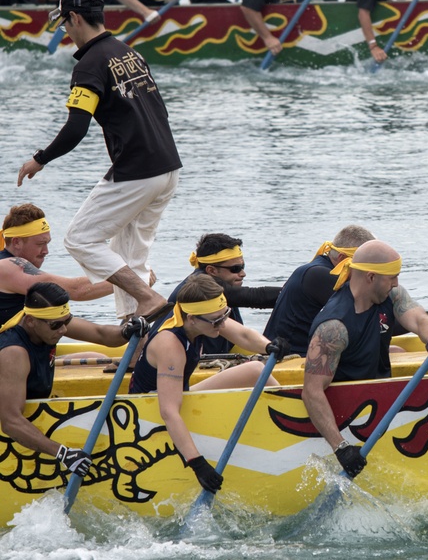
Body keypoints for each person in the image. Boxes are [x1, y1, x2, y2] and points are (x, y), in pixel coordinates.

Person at [17, 0, 181, 320]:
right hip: (168, 167)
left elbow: (77, 127)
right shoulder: (128, 52)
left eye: (64, 23)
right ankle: (137, 345)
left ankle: (147, 296)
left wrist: (40, 158)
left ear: (75, 17)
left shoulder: (89, 65)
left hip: (137, 170)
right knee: (129, 257)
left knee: (80, 239)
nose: (66, 31)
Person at [300, 240, 428, 478]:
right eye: (392, 277)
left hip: (380, 398)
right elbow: (311, 392)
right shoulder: (334, 327)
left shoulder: (391, 295)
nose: (397, 283)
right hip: (351, 412)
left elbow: (419, 318)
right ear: (371, 277)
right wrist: (341, 448)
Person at [128, 275, 288, 494]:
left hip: (177, 395)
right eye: (216, 321)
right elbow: (169, 413)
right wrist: (197, 464)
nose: (222, 325)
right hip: (149, 409)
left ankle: (289, 419)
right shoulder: (170, 346)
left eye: (226, 316)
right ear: (192, 318)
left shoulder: (204, 319)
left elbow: (242, 334)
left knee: (256, 370)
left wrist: (269, 347)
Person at [0, 282, 142, 481]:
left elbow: (101, 334)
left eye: (66, 321)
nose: (63, 330)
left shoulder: (51, 322)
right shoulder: (13, 353)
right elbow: (10, 422)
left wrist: (128, 330)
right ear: (30, 321)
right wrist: (63, 454)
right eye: (56, 325)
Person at [151, 233, 282, 354]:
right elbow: (254, 297)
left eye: (243, 266)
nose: (243, 273)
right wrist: (293, 292)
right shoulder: (203, 288)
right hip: (176, 354)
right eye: (235, 269)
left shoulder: (223, 282)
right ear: (211, 270)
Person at [264, 225, 375, 356]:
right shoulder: (320, 276)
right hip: (290, 356)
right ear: (341, 258)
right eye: (366, 264)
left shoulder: (317, 268)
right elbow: (365, 321)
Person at [1, 204, 112, 326]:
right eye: (40, 244)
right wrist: (130, 280)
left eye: (47, 243)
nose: (46, 251)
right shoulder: (8, 267)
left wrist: (125, 331)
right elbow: (76, 290)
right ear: (16, 242)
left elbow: (98, 334)